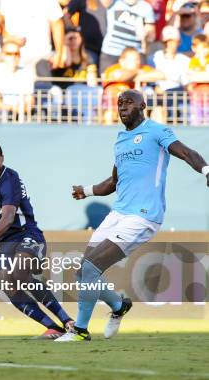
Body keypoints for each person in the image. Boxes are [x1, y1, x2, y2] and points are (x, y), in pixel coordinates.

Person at [57, 89, 209, 341]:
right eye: (119, 103)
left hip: (143, 215)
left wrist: (205, 170)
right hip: (118, 213)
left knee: (91, 268)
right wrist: (86, 190)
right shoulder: (120, 140)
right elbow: (113, 182)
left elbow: (187, 153)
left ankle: (80, 330)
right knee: (83, 273)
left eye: (128, 102)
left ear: (142, 106)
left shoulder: (156, 131)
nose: (122, 106)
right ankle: (119, 306)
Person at [0, 141, 75, 339]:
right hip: (7, 241)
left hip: (28, 234)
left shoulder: (9, 178)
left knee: (20, 271)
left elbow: (9, 215)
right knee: (4, 282)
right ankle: (53, 327)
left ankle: (68, 321)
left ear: (2, 157)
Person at [100, 0, 156, 74]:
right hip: (112, 51)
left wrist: (146, 33)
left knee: (140, 79)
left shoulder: (146, 7)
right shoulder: (114, 2)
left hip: (135, 53)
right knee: (109, 81)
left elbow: (151, 36)